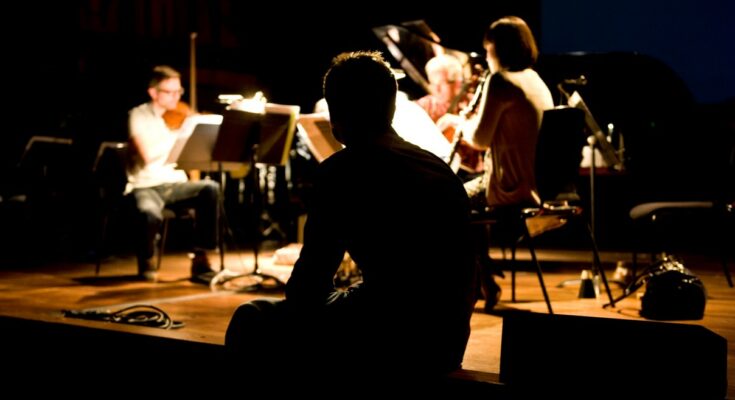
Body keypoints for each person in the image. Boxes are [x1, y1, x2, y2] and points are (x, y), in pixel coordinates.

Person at [225, 51, 476, 391]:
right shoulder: (439, 168)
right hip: (447, 341)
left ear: (336, 114)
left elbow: (307, 287)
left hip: (391, 342)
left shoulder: (341, 171)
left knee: (252, 318)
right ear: (390, 107)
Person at [444, 16, 554, 312]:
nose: (487, 57)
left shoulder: (501, 80)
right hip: (533, 183)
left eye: (488, 50)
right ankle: (483, 278)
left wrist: (461, 121)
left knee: (444, 202)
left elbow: (479, 139)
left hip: (509, 186)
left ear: (498, 49)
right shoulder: (535, 78)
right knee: (466, 204)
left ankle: (463, 284)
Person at [126, 65, 220, 282]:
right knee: (149, 213)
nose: (176, 98)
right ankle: (146, 257)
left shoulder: (181, 117)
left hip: (174, 182)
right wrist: (179, 136)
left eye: (179, 92)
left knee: (210, 189)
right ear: (153, 93)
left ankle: (200, 257)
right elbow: (147, 156)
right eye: (170, 92)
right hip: (146, 183)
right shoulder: (138, 115)